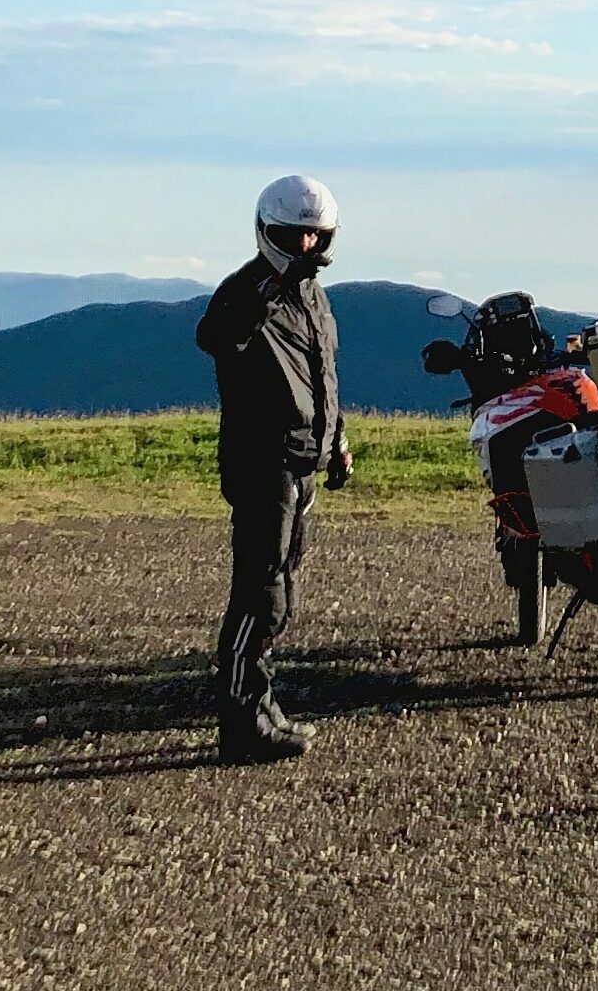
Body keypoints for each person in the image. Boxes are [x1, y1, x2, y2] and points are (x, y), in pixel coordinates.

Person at [193, 174, 355, 764]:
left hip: (301, 462)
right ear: (269, 232)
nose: (308, 247)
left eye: (318, 236)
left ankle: (260, 707)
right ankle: (240, 722)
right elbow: (213, 335)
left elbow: (322, 376)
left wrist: (336, 441)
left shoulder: (314, 297)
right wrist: (267, 285)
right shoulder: (245, 291)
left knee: (280, 590)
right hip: (262, 465)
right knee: (262, 596)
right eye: (297, 235)